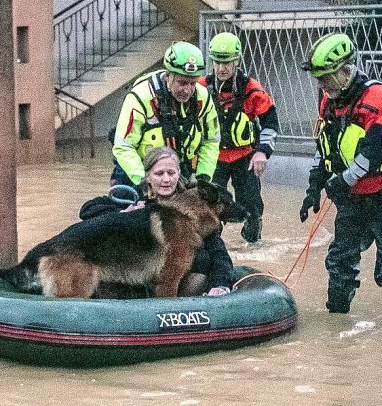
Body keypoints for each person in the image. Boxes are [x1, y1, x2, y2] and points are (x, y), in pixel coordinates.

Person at [298, 33, 382, 331]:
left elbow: (373, 153)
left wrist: (344, 180)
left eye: (325, 77)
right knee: (340, 258)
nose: (321, 85)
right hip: (353, 193)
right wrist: (314, 187)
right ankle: (336, 326)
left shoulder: (379, 99)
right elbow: (324, 147)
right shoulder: (330, 100)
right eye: (318, 78)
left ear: (346, 70)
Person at [82, 146, 234, 297]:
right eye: (159, 173)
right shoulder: (133, 196)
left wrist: (220, 284)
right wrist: (123, 213)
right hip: (135, 275)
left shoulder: (197, 205)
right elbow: (87, 210)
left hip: (178, 282)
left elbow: (219, 252)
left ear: (179, 174)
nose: (166, 179)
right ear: (148, 176)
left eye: (171, 173)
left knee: (203, 258)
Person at [199, 32, 280, 243]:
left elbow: (270, 122)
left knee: (252, 207)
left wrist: (262, 151)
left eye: (226, 62)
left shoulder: (252, 89)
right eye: (217, 61)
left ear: (236, 61)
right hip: (212, 157)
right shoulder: (201, 88)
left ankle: (253, 244)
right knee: (209, 208)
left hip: (245, 156)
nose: (221, 67)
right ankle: (213, 248)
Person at [111, 41, 220, 188]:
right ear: (168, 76)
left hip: (176, 170)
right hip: (136, 171)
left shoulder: (202, 98)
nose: (187, 90)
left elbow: (211, 141)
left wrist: (203, 179)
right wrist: (145, 182)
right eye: (182, 83)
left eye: (192, 83)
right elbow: (124, 146)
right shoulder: (141, 97)